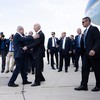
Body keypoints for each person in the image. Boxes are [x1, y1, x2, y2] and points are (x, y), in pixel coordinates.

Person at [74, 17, 100, 92]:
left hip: (93, 54)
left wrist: (94, 49)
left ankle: (98, 85)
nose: (82, 24)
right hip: (86, 54)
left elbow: (98, 40)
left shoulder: (94, 29)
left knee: (97, 70)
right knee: (84, 69)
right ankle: (83, 85)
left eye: (83, 22)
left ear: (87, 21)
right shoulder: (85, 31)